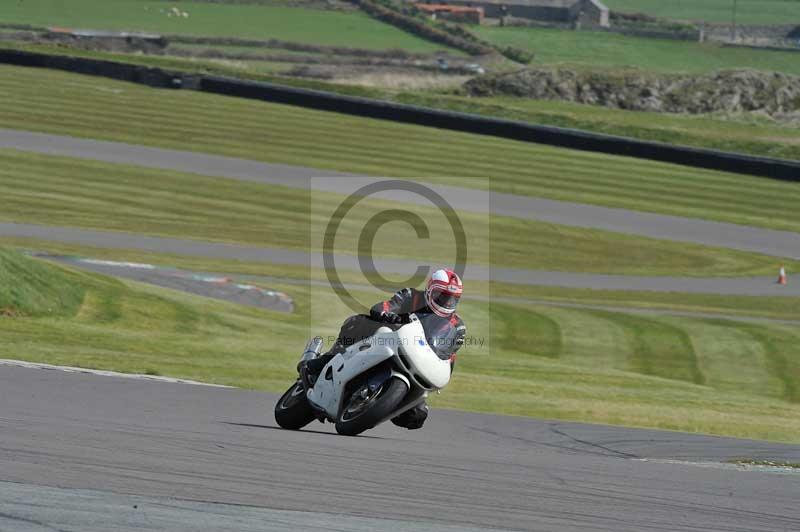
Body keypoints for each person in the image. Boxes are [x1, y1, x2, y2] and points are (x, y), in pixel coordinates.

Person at [299, 268, 467, 430]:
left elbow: (449, 355)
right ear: (430, 290)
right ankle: (323, 362)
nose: (446, 302)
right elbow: (384, 306)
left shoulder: (457, 326)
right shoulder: (411, 296)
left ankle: (378, 404)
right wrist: (388, 315)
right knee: (356, 322)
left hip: (417, 360)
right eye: (441, 296)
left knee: (417, 416)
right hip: (386, 341)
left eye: (452, 299)